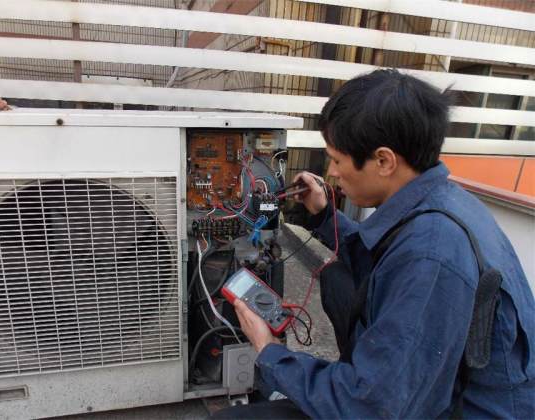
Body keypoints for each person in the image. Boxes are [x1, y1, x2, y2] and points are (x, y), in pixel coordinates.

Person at [212, 69, 535, 419]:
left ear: (383, 161)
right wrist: (325, 215)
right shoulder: (445, 201)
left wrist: (270, 351)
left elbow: (373, 408)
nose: (332, 172)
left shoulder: (431, 256)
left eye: (337, 160)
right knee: (336, 278)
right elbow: (378, 256)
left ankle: (344, 378)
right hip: (424, 389)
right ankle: (352, 372)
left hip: (448, 411)